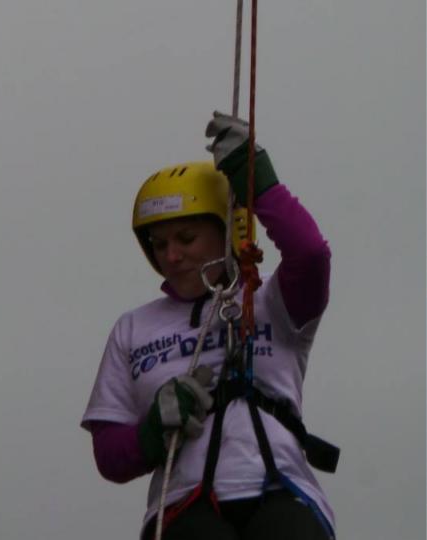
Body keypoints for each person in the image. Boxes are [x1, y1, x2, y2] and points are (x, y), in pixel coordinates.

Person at [81, 111, 336, 540]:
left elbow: (310, 255)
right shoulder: (133, 329)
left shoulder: (272, 300)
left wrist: (259, 181)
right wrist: (152, 432)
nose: (171, 256)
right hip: (183, 505)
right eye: (160, 244)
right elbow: (109, 455)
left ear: (226, 231)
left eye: (186, 238)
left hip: (279, 487)